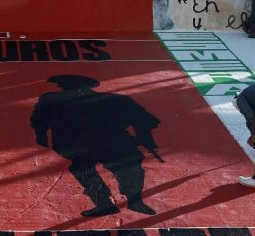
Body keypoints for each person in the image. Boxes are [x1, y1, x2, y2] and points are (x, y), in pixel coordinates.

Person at [30, 75, 161, 217]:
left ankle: (134, 201)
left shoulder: (115, 99)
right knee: (84, 169)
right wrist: (41, 135)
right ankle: (104, 203)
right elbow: (39, 119)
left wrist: (145, 137)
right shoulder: (51, 99)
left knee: (130, 168)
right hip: (76, 143)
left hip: (111, 140)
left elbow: (143, 120)